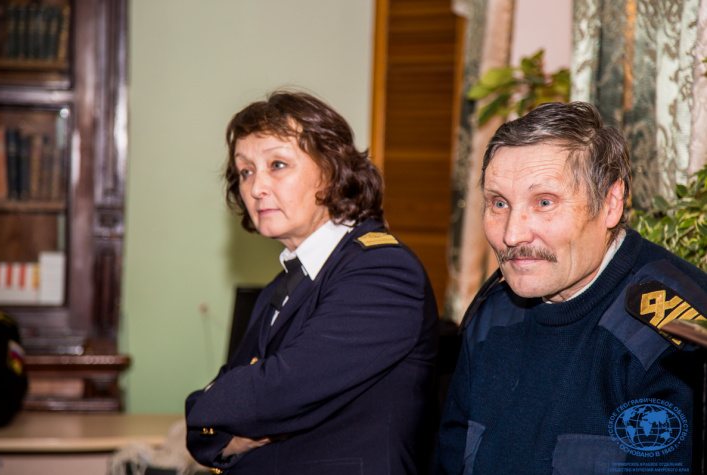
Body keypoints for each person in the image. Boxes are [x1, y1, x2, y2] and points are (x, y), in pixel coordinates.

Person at [433, 102, 707, 474]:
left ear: (610, 203)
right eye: (498, 203)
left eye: (544, 202)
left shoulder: (675, 332)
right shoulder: (493, 313)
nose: (512, 235)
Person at [185, 91, 439, 475]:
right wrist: (216, 423)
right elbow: (205, 433)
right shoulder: (281, 285)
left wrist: (198, 406)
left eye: (277, 165)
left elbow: (280, 392)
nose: (256, 187)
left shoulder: (383, 269)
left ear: (332, 170)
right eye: (246, 171)